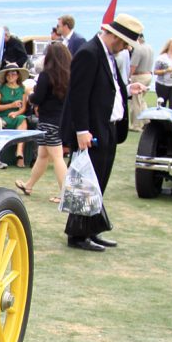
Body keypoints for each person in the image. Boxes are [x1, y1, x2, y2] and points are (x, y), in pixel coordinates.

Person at [61, 13, 148, 253]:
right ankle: (78, 234)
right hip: (91, 130)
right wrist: (82, 130)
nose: (126, 48)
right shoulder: (89, 53)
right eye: (125, 43)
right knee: (87, 183)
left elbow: (107, 90)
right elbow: (78, 95)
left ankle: (91, 230)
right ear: (115, 37)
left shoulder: (105, 55)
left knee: (98, 182)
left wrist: (127, 90)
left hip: (106, 126)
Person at [17, 40, 70, 201]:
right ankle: (29, 185)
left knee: (57, 157)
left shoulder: (46, 75)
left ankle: (65, 194)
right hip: (60, 119)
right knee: (43, 156)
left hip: (48, 120)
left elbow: (38, 98)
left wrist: (29, 94)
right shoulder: (68, 76)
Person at [127, 32, 155, 132]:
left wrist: (128, 77)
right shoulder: (150, 48)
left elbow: (133, 66)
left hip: (139, 76)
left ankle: (136, 125)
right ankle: (146, 120)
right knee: (141, 100)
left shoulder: (138, 49)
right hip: (148, 75)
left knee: (136, 102)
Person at [0, 63, 29, 132]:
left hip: (16, 116)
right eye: (8, 74)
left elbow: (23, 108)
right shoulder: (0, 88)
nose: (10, 76)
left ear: (18, 75)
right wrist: (11, 105)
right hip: (2, 116)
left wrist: (16, 113)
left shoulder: (23, 89)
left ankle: (20, 139)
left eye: (13, 74)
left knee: (22, 119)